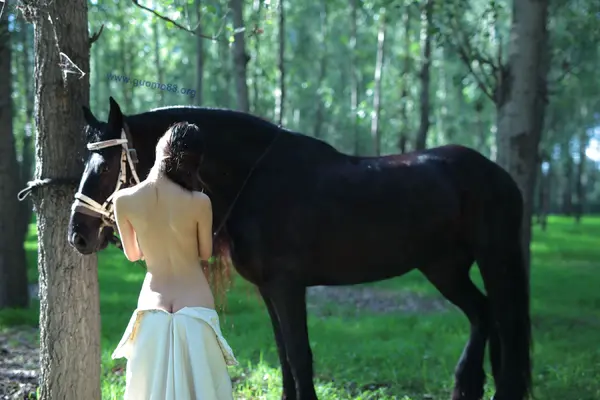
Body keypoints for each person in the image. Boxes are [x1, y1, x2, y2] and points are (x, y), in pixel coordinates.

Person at [110, 122, 237, 400]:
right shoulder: (200, 202)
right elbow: (205, 253)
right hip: (196, 306)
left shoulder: (123, 200)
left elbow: (133, 254)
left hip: (151, 308)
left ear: (163, 147)